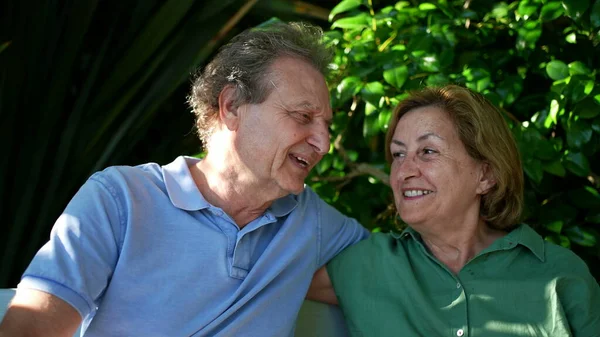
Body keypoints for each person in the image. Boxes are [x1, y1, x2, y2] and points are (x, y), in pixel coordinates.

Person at [0, 22, 368, 337]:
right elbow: (33, 326)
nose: (322, 143)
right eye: (303, 116)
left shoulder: (312, 224)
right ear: (231, 107)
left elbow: (411, 274)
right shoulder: (120, 199)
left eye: (326, 126)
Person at [308, 85, 600, 336]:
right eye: (398, 154)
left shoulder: (562, 276)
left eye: (428, 151)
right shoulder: (367, 264)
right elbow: (268, 279)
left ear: (485, 175)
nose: (404, 171)